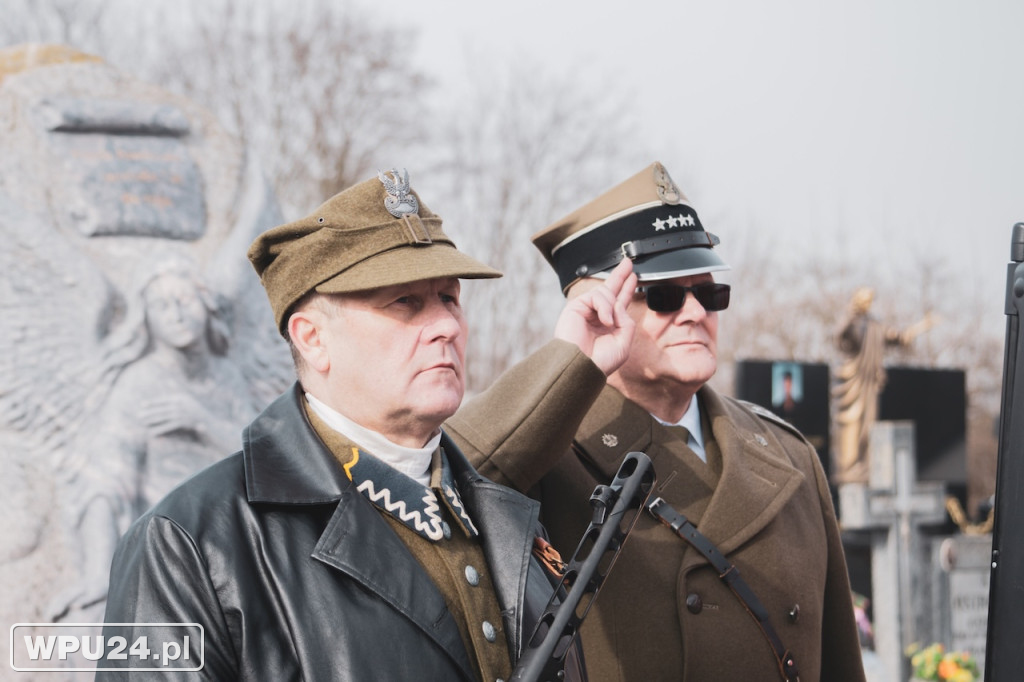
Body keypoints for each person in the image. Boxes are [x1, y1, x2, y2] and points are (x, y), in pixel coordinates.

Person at [98, 169, 631, 681]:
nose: (446, 324)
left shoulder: (500, 515)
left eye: (449, 298)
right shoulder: (191, 542)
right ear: (312, 338)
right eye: (406, 302)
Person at [446, 162, 867, 681]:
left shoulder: (787, 454)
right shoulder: (546, 452)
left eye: (710, 294)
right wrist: (568, 362)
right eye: (664, 295)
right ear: (599, 305)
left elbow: (840, 662)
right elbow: (457, 465)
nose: (695, 313)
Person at [833, 286, 936, 484]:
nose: (867, 303)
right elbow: (841, 337)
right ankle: (849, 470)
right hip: (852, 383)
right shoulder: (851, 322)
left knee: (868, 426)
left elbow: (899, 337)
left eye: (870, 300)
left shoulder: (875, 326)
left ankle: (864, 468)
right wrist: (848, 317)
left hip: (869, 385)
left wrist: (923, 325)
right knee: (851, 426)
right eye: (864, 299)